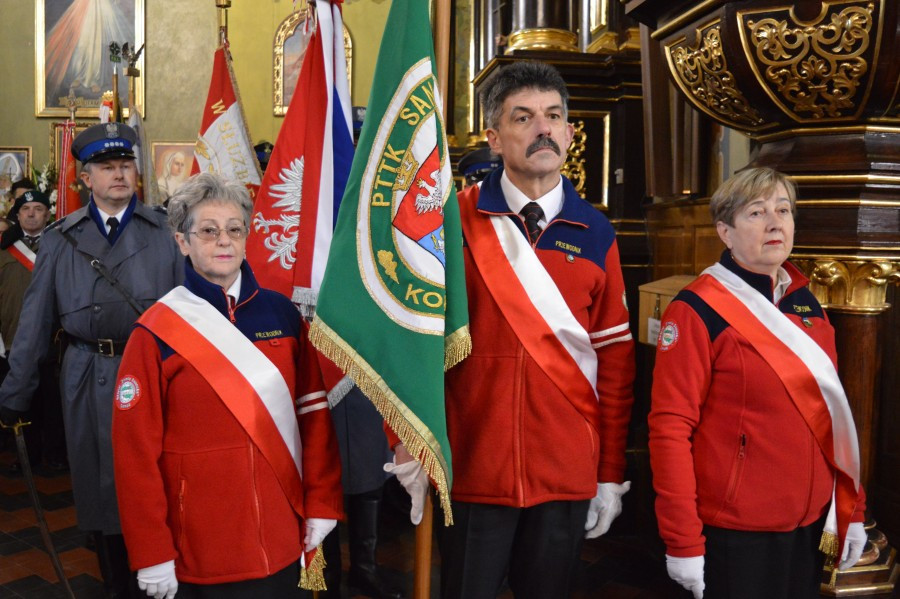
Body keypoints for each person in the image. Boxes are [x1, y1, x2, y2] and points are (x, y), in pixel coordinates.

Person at [387, 61, 636, 598]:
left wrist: (610, 471)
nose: (542, 129)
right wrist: (407, 442)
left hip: (565, 470)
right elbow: (412, 342)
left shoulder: (597, 232)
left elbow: (615, 365)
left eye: (553, 116)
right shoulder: (450, 224)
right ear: (494, 137)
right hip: (474, 467)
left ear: (571, 133)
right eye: (523, 118)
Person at [112, 172, 343, 598]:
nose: (224, 241)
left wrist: (322, 501)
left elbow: (313, 415)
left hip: (282, 534)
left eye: (235, 229)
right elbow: (134, 454)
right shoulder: (154, 333)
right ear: (182, 241)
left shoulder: (282, 315)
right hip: (199, 545)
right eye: (208, 231)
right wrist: (151, 551)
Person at [648, 167, 867, 598]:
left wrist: (852, 509)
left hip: (807, 523)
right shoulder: (696, 309)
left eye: (783, 210)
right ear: (725, 231)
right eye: (756, 212)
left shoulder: (807, 304)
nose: (774, 222)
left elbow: (835, 418)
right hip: (736, 530)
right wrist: (683, 540)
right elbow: (669, 430)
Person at [0, 122, 183, 599]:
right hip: (88, 376)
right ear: (86, 178)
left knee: (158, 480)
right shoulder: (62, 239)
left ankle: (159, 578)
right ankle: (116, 583)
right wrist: (15, 393)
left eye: (125, 165)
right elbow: (35, 321)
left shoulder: (165, 231)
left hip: (155, 374)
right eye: (106, 167)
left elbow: (194, 311)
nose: (119, 174)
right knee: (101, 489)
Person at [0, 190, 67, 472]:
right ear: (17, 215)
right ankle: (26, 457)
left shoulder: (62, 248)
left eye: (38, 208)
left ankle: (55, 456)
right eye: (25, 209)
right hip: (14, 338)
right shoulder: (4, 252)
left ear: (47, 215)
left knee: (53, 402)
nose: (31, 214)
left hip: (54, 340)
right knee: (21, 401)